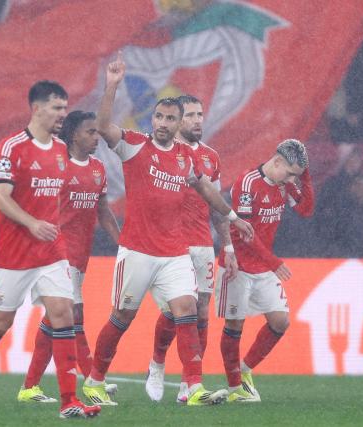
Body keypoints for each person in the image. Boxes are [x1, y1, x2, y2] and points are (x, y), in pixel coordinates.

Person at [82, 52, 253, 407]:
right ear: (153, 118)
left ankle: (192, 386)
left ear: (178, 124)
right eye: (159, 116)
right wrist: (111, 86)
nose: (162, 122)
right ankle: (95, 379)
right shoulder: (134, 145)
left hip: (175, 251)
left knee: (188, 310)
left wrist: (234, 218)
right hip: (138, 250)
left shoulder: (186, 157)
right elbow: (101, 126)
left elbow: (206, 190)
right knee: (123, 316)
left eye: (170, 118)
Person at [0, 81, 101, 419]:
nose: (62, 115)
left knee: (63, 313)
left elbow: (59, 198)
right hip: (14, 252)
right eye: (56, 108)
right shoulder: (12, 147)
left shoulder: (60, 150)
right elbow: (1, 196)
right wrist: (31, 223)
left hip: (52, 251)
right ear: (36, 108)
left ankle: (69, 401)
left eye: (65, 109)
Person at [17, 110, 121, 403]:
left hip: (80, 255)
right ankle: (92, 379)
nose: (96, 137)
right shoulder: (57, 164)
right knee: (73, 315)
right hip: (55, 253)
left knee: (54, 319)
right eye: (90, 132)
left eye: (97, 132)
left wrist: (122, 243)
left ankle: (29, 388)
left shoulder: (98, 168)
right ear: (74, 134)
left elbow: (102, 211)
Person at [144, 95, 238, 404]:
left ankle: (189, 385)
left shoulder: (211, 157)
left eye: (201, 114)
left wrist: (227, 246)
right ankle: (157, 364)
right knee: (175, 310)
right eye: (192, 115)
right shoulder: (163, 152)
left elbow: (216, 207)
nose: (198, 120)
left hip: (201, 243)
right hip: (171, 243)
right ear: (178, 118)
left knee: (200, 313)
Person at [216, 139, 314, 402]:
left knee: (280, 321)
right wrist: (274, 262)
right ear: (277, 161)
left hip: (263, 266)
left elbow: (306, 210)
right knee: (235, 324)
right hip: (238, 265)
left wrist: (305, 177)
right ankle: (235, 387)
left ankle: (245, 370)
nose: (292, 178)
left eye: (296, 174)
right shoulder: (247, 185)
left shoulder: (286, 184)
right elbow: (245, 233)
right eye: (290, 172)